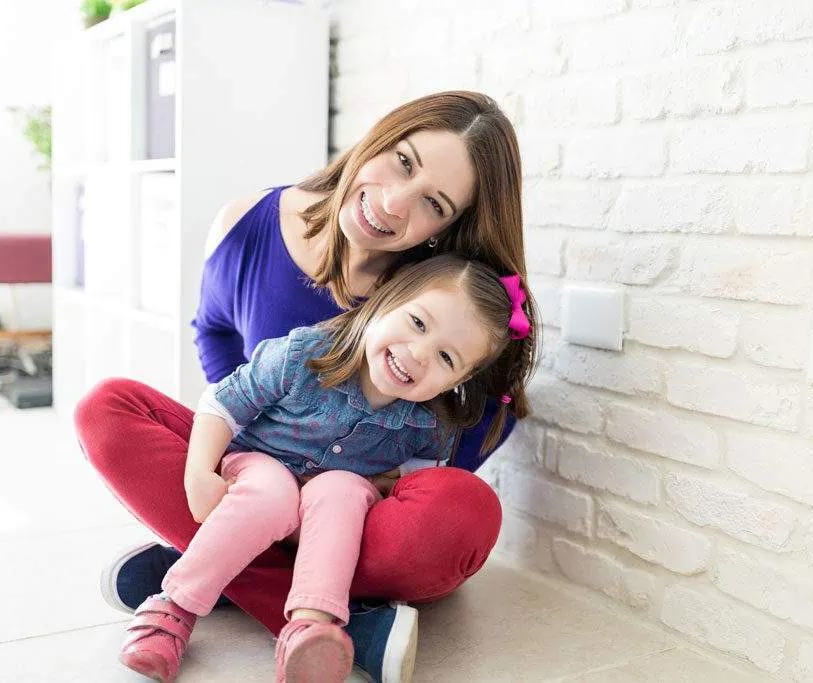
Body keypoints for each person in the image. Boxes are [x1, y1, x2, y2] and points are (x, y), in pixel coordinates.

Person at [74, 91, 535, 683]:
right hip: (253, 473)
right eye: (402, 161)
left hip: (350, 511)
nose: (394, 204)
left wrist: (384, 483)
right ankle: (330, 622)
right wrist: (231, 458)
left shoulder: (442, 294)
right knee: (107, 409)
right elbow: (216, 342)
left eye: (433, 204)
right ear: (380, 135)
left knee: (464, 514)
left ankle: (207, 561)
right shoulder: (247, 225)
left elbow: (490, 411)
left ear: (450, 228)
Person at [117, 255, 537, 683]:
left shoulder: (428, 422)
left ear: (455, 382)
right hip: (260, 468)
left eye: (447, 358)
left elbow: (415, 481)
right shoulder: (304, 353)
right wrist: (200, 472)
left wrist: (378, 486)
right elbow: (223, 404)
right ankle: (174, 606)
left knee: (341, 491)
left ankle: (310, 629)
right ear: (385, 300)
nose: (417, 354)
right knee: (271, 491)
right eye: (418, 323)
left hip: (328, 507)